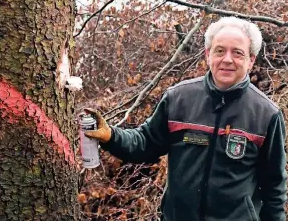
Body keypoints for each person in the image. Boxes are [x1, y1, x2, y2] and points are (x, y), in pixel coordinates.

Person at [85, 16, 287, 221]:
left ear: (251, 60)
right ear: (208, 54)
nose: (227, 59)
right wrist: (111, 136)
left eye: (237, 53)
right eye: (219, 51)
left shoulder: (266, 114)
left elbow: (274, 187)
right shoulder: (178, 99)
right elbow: (145, 142)